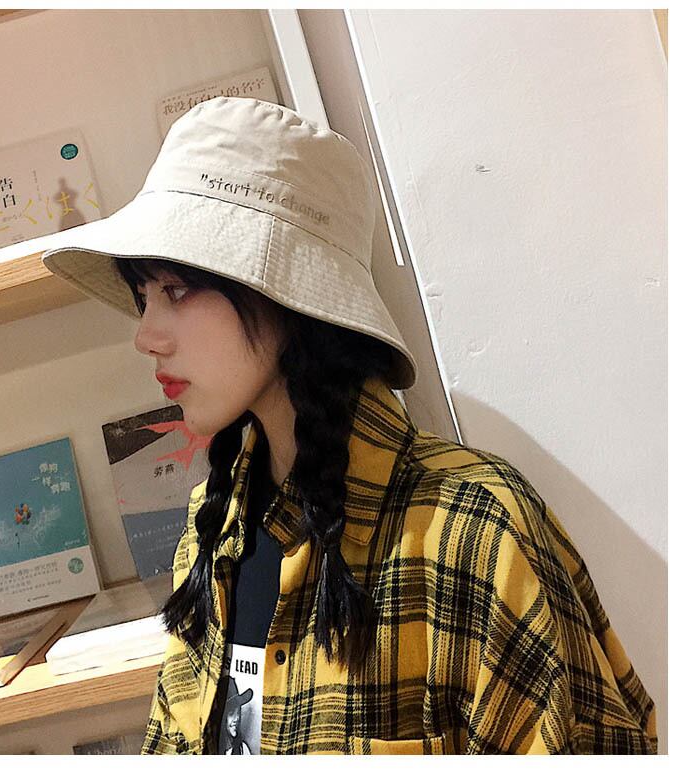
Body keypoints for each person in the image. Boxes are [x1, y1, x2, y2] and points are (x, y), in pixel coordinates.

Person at [41, 96, 657, 754]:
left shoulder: (471, 534)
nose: (146, 336)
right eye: (142, 297)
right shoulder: (210, 534)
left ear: (283, 292)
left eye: (177, 290)